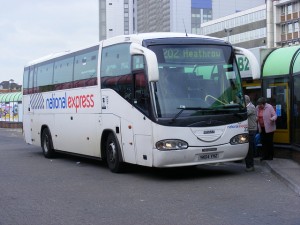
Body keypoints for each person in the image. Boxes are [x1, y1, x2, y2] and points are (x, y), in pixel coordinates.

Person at [244, 95, 257, 172]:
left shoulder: (251, 107)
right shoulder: (248, 106)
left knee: (249, 148)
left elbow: (244, 114)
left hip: (251, 130)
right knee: (248, 148)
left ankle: (250, 166)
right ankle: (249, 165)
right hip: (248, 129)